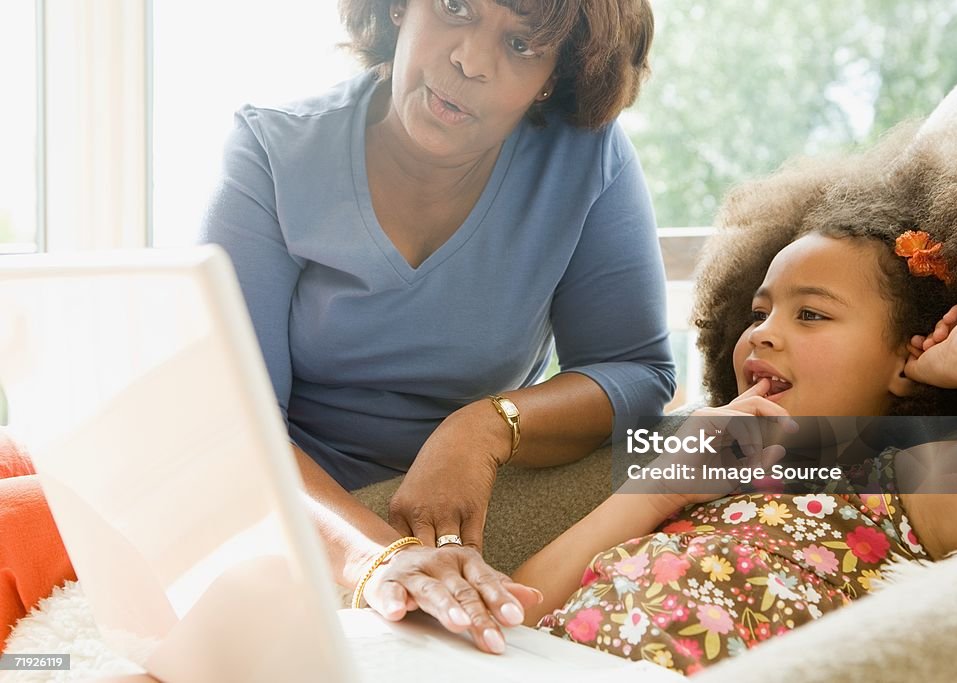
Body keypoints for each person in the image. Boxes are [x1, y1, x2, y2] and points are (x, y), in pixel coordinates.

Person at [195, 0, 673, 656]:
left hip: (469, 508)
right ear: (399, 7)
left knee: (715, 442)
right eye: (455, 8)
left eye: (523, 44)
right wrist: (375, 555)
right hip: (296, 496)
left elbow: (639, 374)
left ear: (555, 77)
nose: (470, 60)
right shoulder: (273, 152)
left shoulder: (586, 158)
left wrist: (484, 427)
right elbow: (231, 427)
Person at [511, 126, 957, 674]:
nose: (762, 335)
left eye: (811, 314)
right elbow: (514, 608)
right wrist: (658, 490)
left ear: (905, 360)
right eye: (758, 314)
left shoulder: (911, 486)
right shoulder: (700, 480)